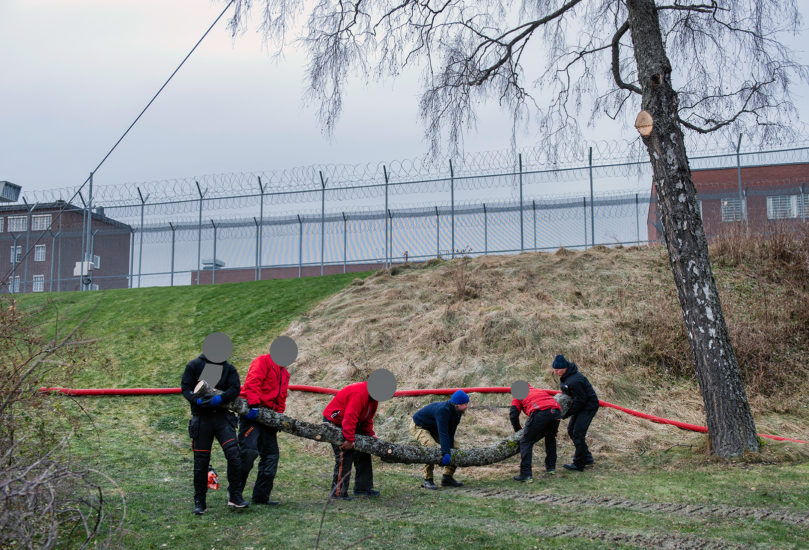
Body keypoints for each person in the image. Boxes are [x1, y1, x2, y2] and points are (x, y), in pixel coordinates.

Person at [180, 337, 248, 515]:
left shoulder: (228, 368)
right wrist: (196, 399)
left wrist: (221, 398)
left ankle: (235, 496)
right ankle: (199, 502)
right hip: (201, 419)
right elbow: (185, 387)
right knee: (201, 462)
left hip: (223, 418)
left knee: (234, 456)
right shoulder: (194, 365)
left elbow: (235, 388)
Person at [238, 351, 290, 506]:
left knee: (271, 456)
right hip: (252, 415)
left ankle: (261, 497)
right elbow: (253, 382)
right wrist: (253, 404)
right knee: (248, 452)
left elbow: (282, 396)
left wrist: (278, 418)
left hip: (269, 418)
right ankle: (235, 494)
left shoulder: (285, 373)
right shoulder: (262, 361)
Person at [322, 381, 381, 500]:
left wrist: (370, 434)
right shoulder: (359, 394)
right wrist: (349, 439)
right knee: (345, 454)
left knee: (364, 452)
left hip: (351, 422)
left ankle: (363, 489)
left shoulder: (373, 398)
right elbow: (350, 417)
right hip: (336, 421)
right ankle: (338, 493)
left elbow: (367, 417)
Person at [410, 390, 469, 490]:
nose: (466, 406)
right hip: (419, 426)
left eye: (467, 403)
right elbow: (443, 433)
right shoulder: (443, 411)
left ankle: (447, 478)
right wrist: (446, 453)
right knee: (431, 447)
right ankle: (428, 479)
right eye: (464, 404)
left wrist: (450, 451)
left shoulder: (458, 413)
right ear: (457, 404)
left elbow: (451, 433)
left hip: (433, 427)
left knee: (456, 447)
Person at [552, 354, 599, 471]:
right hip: (580, 406)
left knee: (578, 434)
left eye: (557, 369)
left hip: (588, 406)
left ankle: (579, 464)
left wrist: (566, 414)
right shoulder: (566, 377)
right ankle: (587, 458)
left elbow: (581, 401)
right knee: (571, 430)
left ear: (565, 368)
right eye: (554, 369)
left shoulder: (575, 380)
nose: (555, 372)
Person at [509, 384, 561, 482]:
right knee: (550, 438)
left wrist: (518, 430)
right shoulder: (539, 391)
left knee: (525, 441)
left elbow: (513, 414)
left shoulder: (518, 396)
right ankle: (551, 468)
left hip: (540, 412)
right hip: (556, 411)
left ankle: (526, 474)